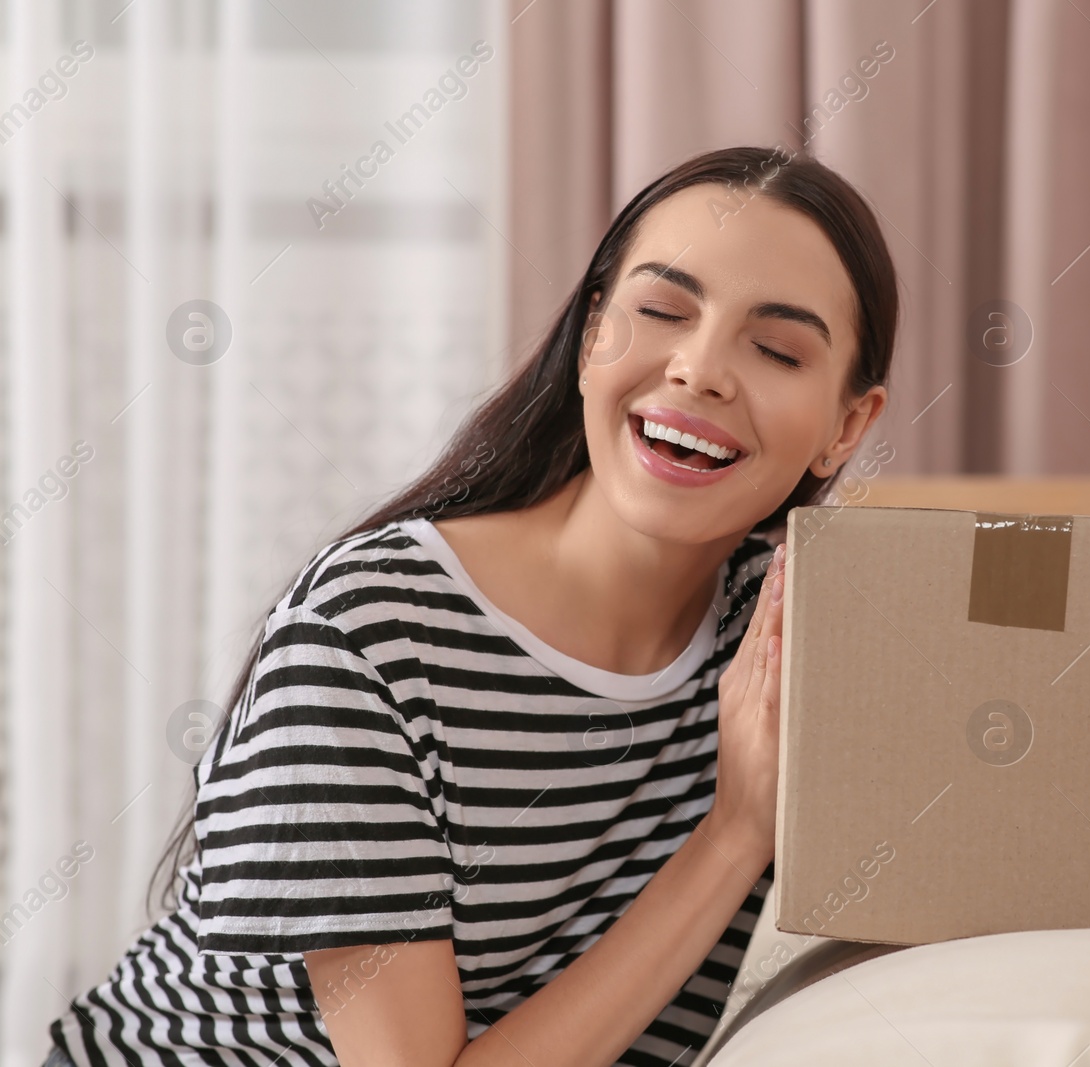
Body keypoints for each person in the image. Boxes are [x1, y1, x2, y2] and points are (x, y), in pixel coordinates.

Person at [45, 144, 896, 1067]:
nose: (700, 370)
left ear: (847, 426)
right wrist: (732, 837)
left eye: (775, 349)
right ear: (591, 336)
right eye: (660, 310)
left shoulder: (789, 649)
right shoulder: (368, 635)